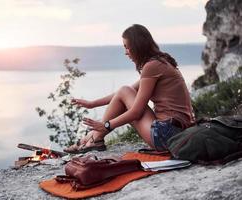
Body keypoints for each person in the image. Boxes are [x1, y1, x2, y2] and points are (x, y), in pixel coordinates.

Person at [64, 24, 195, 154]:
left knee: (125, 92)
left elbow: (135, 111)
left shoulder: (152, 66)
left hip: (168, 135)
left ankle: (93, 138)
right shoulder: (160, 62)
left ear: (138, 46)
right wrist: (92, 104)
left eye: (127, 47)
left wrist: (107, 125)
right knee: (125, 91)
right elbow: (124, 94)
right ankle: (93, 138)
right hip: (177, 132)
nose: (126, 52)